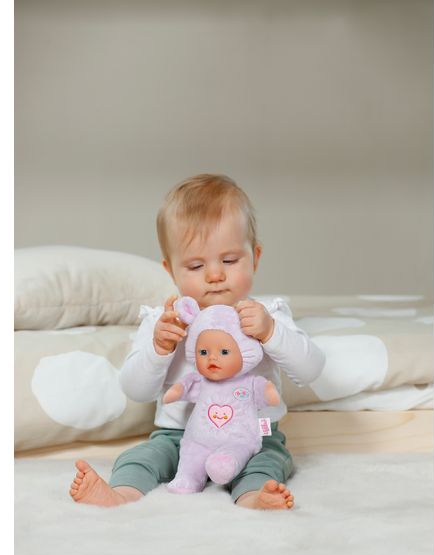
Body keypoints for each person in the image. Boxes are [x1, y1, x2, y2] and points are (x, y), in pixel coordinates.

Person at [68, 174, 325, 510]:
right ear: (171, 270)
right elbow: (135, 390)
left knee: (267, 461)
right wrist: (159, 350)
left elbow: (311, 370)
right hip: (178, 435)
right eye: (195, 265)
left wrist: (270, 333)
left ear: (255, 257)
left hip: (252, 435)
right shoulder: (166, 321)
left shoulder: (265, 315)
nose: (215, 275)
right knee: (142, 456)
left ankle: (255, 497)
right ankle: (120, 494)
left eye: (229, 260)